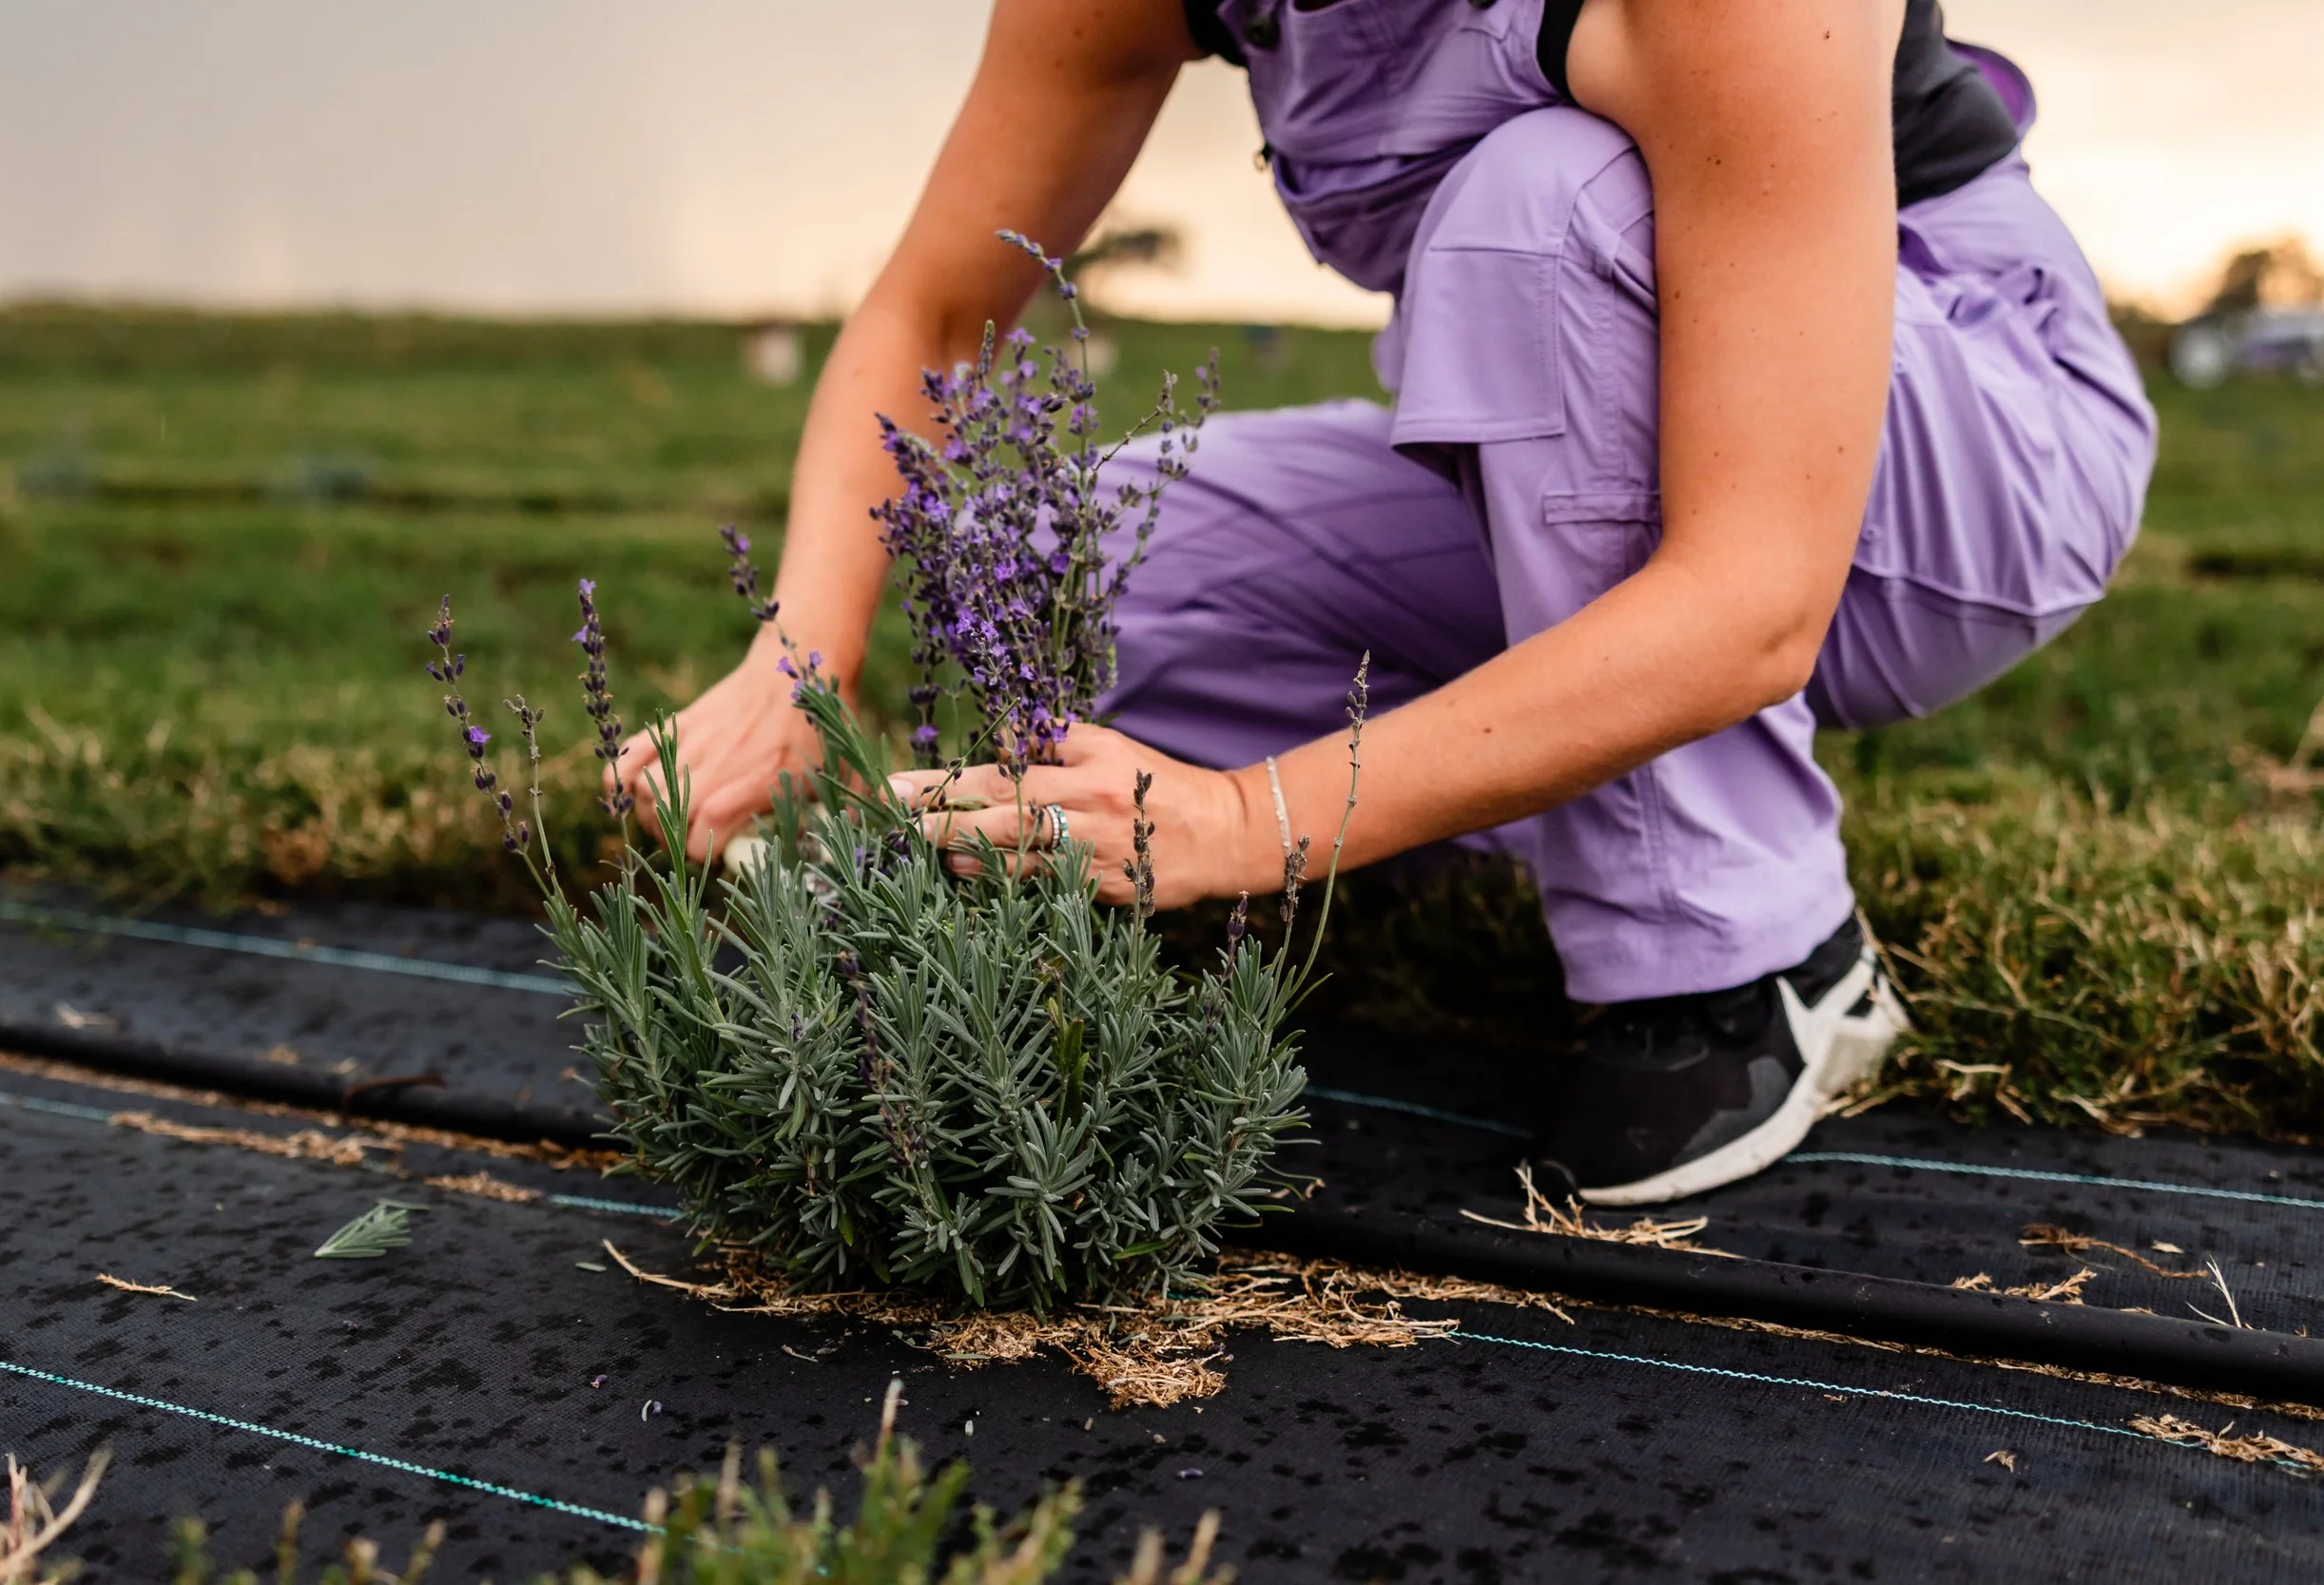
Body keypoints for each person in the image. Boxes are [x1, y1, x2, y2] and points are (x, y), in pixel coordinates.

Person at [617, 0, 2156, 1205]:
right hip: (1579, 443)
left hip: (1960, 458)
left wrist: (1241, 823)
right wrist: (795, 657)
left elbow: (1756, 593)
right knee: (1055, 561)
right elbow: (936, 309)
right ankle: (1502, 803)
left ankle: (1763, 956)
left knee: (1540, 204)